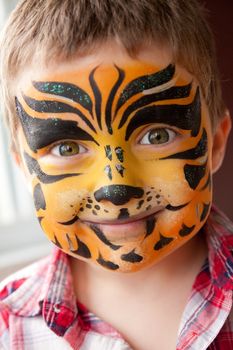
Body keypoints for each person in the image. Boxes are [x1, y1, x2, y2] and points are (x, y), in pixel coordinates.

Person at [0, 0, 232, 349]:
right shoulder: (7, 327)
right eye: (66, 148)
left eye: (157, 136)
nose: (115, 187)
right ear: (24, 167)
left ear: (214, 144)